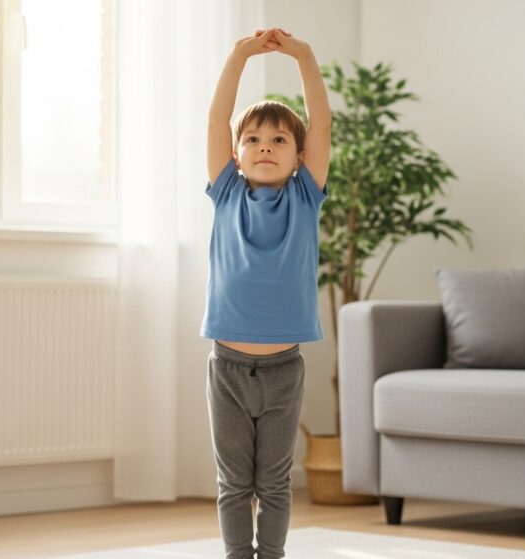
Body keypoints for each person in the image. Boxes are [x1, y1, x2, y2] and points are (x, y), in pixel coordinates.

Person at [199, 27, 331, 559]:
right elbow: (215, 118)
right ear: (236, 153)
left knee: (274, 483)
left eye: (279, 140)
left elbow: (321, 119)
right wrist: (238, 55)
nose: (264, 148)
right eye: (252, 139)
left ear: (300, 156)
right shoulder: (226, 190)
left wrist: (303, 55)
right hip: (227, 367)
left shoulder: (306, 195)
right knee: (234, 482)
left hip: (283, 369)